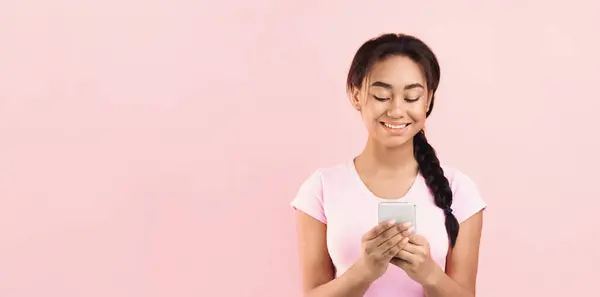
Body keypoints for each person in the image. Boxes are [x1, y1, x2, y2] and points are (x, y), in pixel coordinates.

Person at [290, 33, 487, 297]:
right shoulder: (322, 187)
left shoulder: (460, 190)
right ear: (356, 95)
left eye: (411, 97)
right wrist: (364, 271)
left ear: (428, 100)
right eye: (382, 96)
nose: (396, 110)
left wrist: (429, 274)